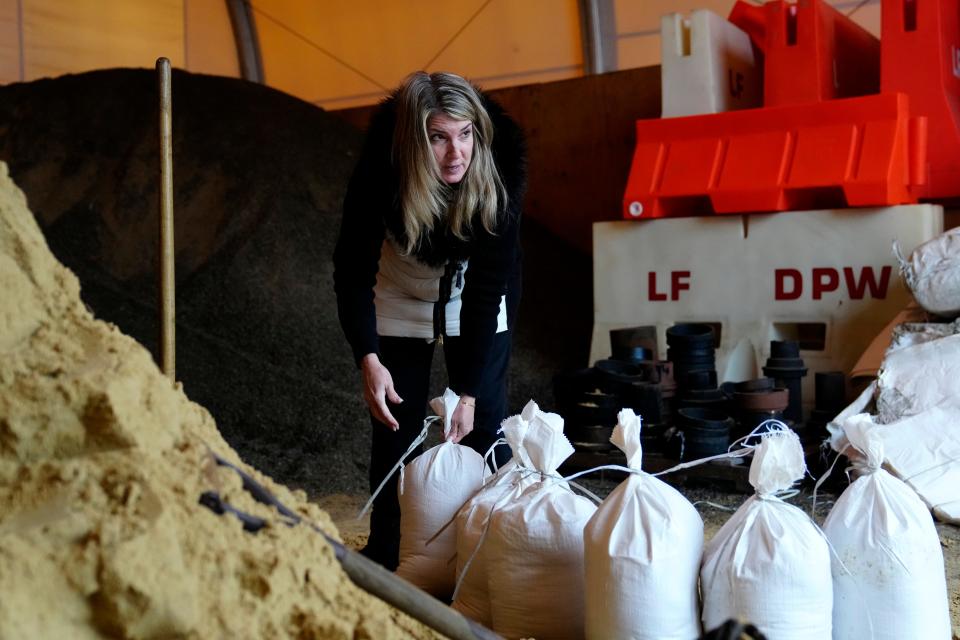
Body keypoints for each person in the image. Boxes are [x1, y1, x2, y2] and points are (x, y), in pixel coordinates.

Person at [333, 71, 526, 570]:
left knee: (484, 427)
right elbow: (352, 269)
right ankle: (388, 555)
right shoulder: (382, 170)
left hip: (475, 298)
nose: (455, 153)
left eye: (465, 135)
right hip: (402, 292)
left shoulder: (499, 177)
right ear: (415, 142)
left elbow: (487, 290)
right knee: (396, 431)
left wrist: (466, 392)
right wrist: (368, 357)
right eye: (438, 137)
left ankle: (482, 557)